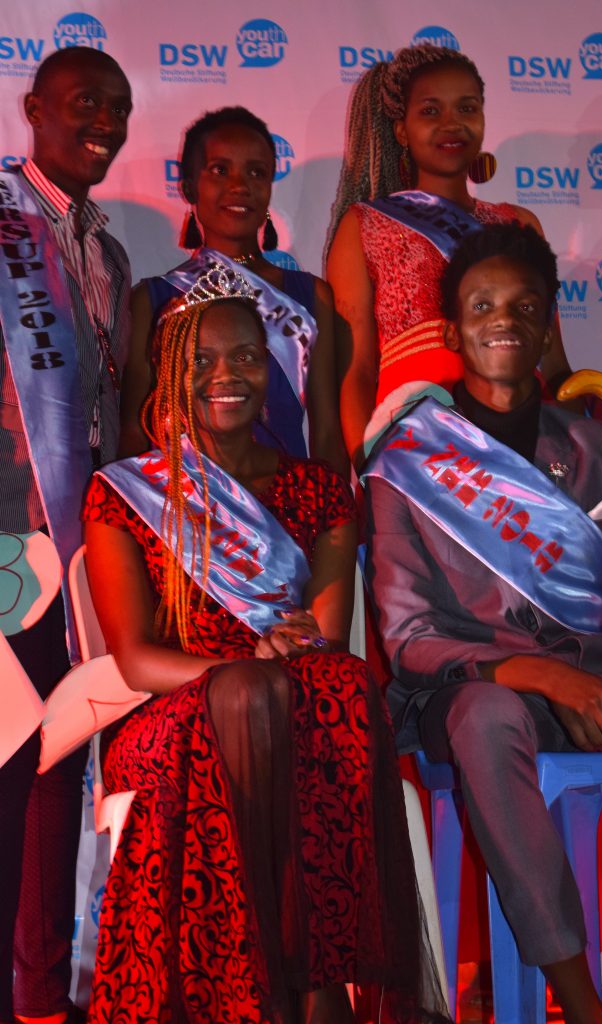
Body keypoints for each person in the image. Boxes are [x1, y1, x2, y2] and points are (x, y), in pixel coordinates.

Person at [81, 272, 449, 1024]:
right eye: (202, 360)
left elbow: (323, 634)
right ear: (171, 371)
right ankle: (288, 993)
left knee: (335, 682)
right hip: (171, 713)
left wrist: (289, 645)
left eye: (248, 357)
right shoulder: (125, 491)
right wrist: (243, 661)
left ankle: (306, 986)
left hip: (297, 701)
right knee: (255, 692)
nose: (227, 376)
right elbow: (136, 662)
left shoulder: (317, 491)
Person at [364, 223, 602, 1024]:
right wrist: (538, 674)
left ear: (546, 326)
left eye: (524, 305)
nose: (502, 319)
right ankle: (576, 1002)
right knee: (489, 717)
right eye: (481, 305)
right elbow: (407, 638)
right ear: (451, 330)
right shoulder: (408, 459)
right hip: (469, 691)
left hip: (598, 682)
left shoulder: (597, 443)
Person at [0, 48, 132, 1024]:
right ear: (33, 107)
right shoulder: (2, 223)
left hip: (85, 547)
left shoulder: (111, 251)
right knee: (7, 770)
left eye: (119, 108)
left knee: (59, 772)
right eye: (86, 102)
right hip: (8, 536)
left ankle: (45, 995)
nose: (105, 120)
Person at [326, 44, 571, 469]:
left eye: (466, 108)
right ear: (401, 130)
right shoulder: (364, 224)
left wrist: (583, 437)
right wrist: (368, 468)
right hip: (416, 450)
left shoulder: (519, 224)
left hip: (523, 440)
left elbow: (553, 363)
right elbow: (357, 371)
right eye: (431, 111)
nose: (451, 124)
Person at [120, 106, 347, 475]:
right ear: (189, 185)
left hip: (288, 508)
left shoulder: (311, 296)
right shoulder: (154, 299)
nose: (240, 185)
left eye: (256, 172)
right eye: (220, 170)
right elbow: (135, 429)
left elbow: (326, 433)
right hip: (188, 508)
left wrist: (330, 516)